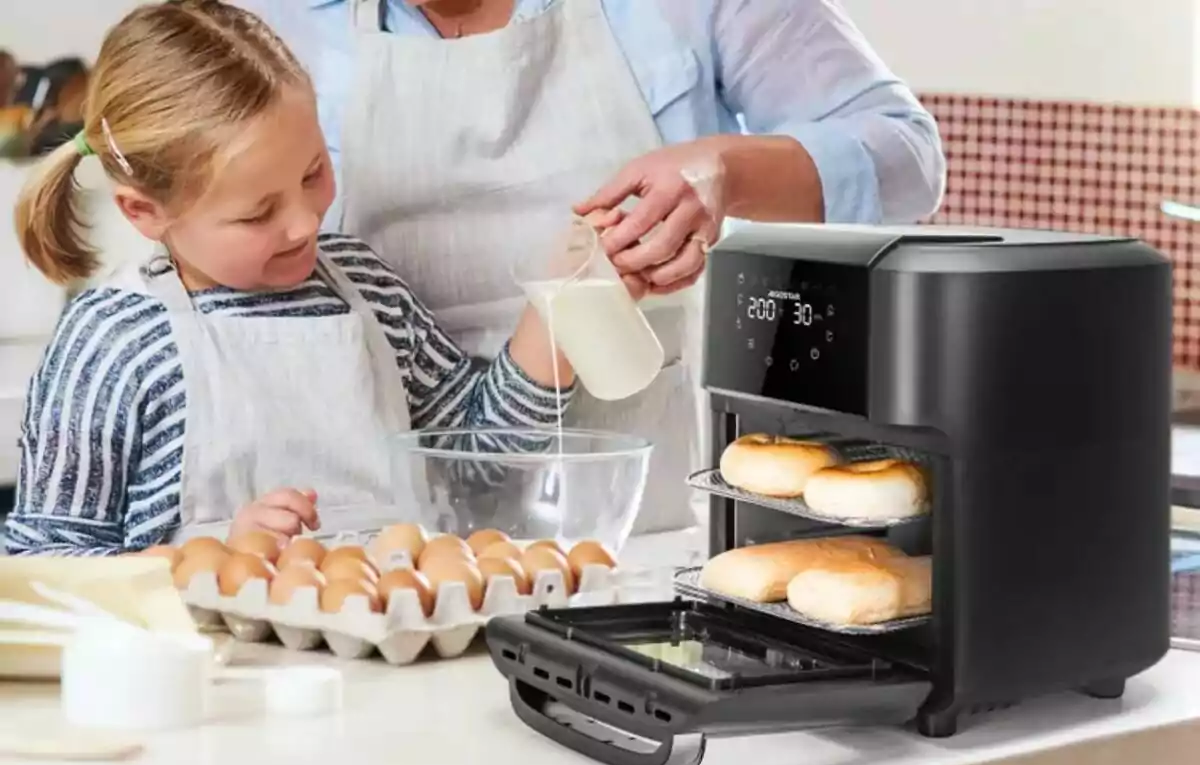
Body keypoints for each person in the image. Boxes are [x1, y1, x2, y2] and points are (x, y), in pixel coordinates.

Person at [243, 0, 948, 535]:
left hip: (666, 513)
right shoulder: (276, 23)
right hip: (397, 546)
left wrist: (725, 169)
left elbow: (909, 158)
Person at [3, 0, 583, 556]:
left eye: (314, 173)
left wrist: (566, 303)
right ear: (144, 212)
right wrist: (211, 557)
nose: (306, 223)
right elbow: (42, 562)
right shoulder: (112, 341)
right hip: (213, 659)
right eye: (258, 214)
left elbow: (479, 462)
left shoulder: (366, 288)